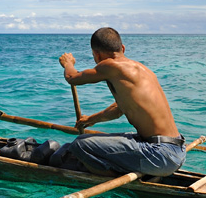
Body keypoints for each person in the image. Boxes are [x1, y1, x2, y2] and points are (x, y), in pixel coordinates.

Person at [58, 27, 186, 177]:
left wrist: (68, 63)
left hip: (159, 155)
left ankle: (111, 178)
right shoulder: (142, 69)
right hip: (177, 151)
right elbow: (119, 109)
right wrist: (90, 120)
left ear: (97, 55)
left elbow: (72, 77)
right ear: (122, 48)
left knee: (80, 144)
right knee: (97, 139)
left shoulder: (110, 65)